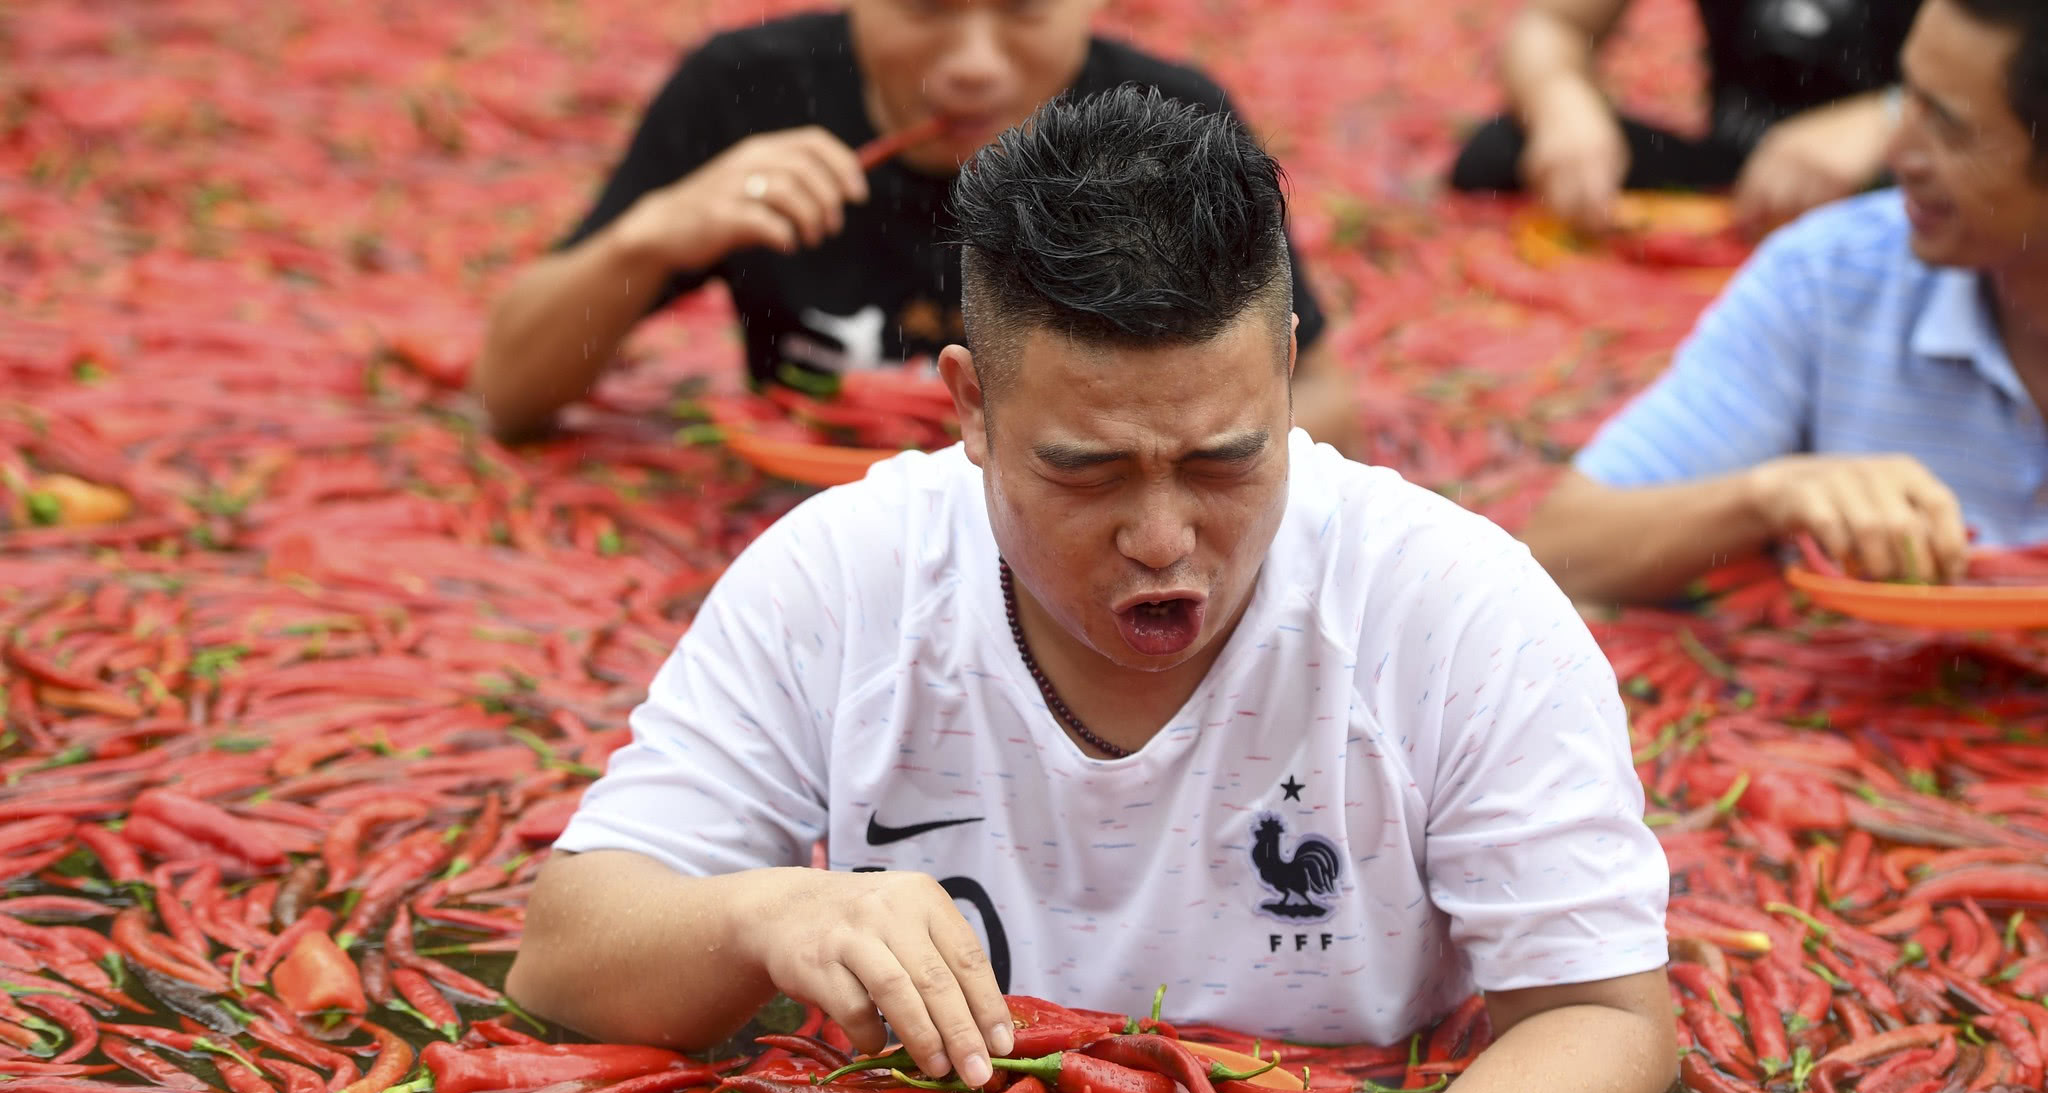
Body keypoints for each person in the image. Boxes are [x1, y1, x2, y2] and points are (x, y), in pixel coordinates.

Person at [506, 87, 1675, 1093]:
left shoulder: (1455, 610)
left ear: (1283, 370)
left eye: (1222, 461)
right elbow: (563, 960)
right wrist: (766, 915)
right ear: (968, 405)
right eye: (1086, 470)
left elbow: (1605, 1015)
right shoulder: (845, 576)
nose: (1162, 538)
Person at [472, 0, 1358, 455]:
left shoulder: (1164, 125)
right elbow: (511, 394)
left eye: (1023, 10)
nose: (972, 64)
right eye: (927, 7)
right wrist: (653, 234)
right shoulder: (746, 92)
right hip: (797, 507)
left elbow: (1313, 389)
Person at [1521, 0, 2048, 605]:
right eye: (1905, 98)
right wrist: (1770, 495)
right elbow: (1559, 553)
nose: (1896, 152)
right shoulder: (1831, 277)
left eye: (1950, 126)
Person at [1452, 0, 1921, 237]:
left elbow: (1991, 86)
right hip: (1739, 177)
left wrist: (1889, 115)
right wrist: (1562, 102)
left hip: (1908, 179)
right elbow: (1554, 24)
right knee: (1498, 154)